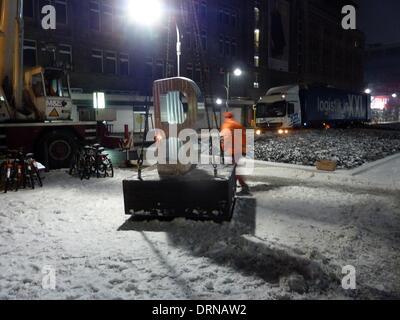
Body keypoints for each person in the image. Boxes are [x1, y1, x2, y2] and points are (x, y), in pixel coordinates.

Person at [220, 112, 250, 194]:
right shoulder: (237, 125)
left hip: (231, 151)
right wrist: (244, 149)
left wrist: (223, 149)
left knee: (233, 169)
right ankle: (238, 184)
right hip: (239, 150)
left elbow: (223, 139)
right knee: (234, 169)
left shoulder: (225, 126)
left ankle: (241, 185)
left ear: (225, 117)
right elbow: (244, 137)